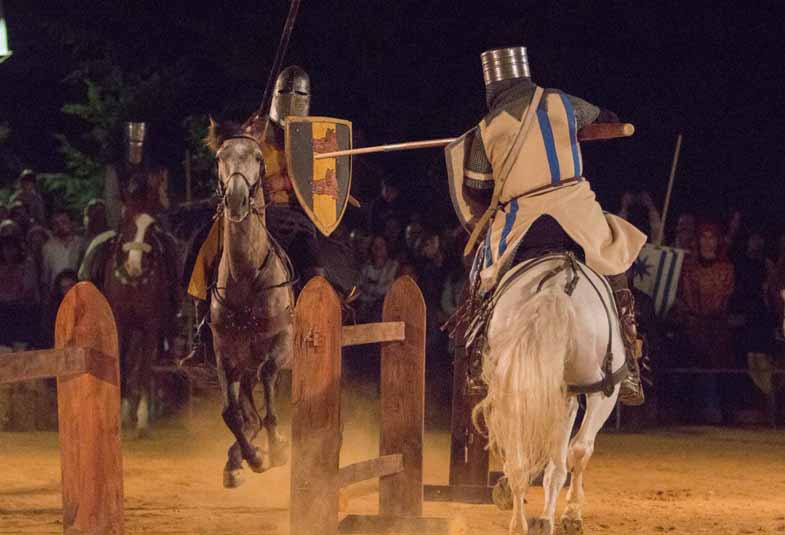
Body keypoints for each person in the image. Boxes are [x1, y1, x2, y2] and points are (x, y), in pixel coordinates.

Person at [446, 46, 647, 405]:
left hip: (523, 223)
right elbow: (606, 115)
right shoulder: (562, 103)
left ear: (493, 86)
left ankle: (476, 360)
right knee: (615, 255)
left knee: (481, 274)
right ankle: (628, 360)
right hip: (576, 214)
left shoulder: (487, 127)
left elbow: (476, 189)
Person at [185, 66, 356, 355]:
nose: (291, 99)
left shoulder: (312, 138)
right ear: (275, 96)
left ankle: (313, 320)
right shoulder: (254, 132)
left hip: (290, 214)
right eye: (285, 93)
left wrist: (284, 181)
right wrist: (246, 140)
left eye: (298, 93)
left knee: (312, 258)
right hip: (249, 213)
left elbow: (315, 175)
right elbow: (233, 163)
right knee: (202, 247)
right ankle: (204, 324)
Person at [672, 222, 736, 423]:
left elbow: (724, 299)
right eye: (704, 237)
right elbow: (686, 296)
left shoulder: (726, 268)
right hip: (693, 327)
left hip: (717, 328)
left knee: (720, 365)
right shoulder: (689, 268)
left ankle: (722, 413)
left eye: (712, 238)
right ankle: (689, 413)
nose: (708, 242)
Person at [41, 211, 84, 292]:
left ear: (71, 223)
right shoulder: (48, 247)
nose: (60, 226)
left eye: (64, 222)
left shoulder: (81, 244)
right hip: (57, 293)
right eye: (56, 223)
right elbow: (46, 276)